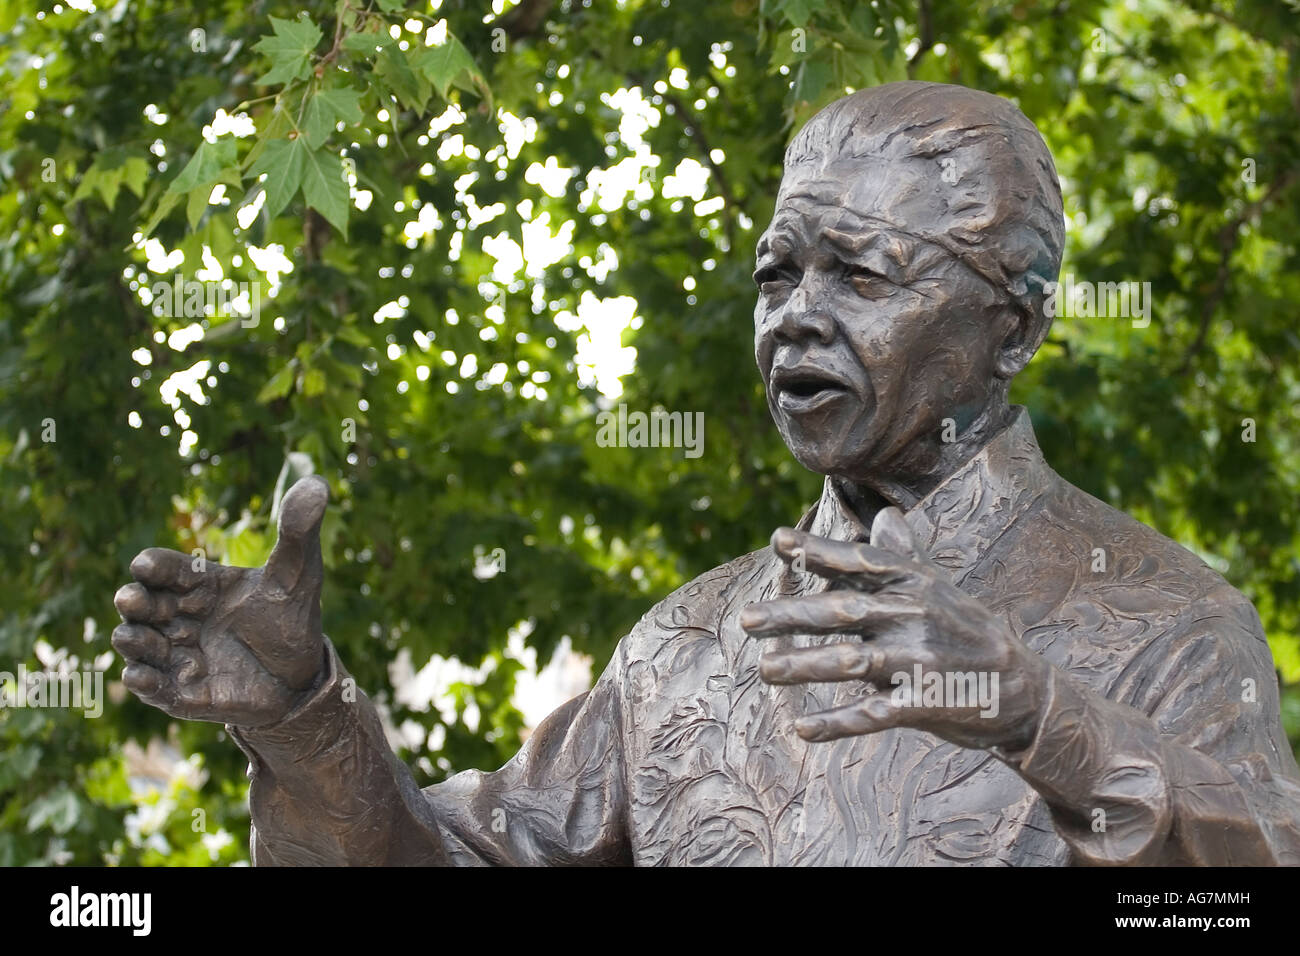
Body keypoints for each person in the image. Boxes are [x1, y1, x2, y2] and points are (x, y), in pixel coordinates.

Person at [113, 81, 1300, 865]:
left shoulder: (1166, 623)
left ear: (1016, 326)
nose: (797, 320)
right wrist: (301, 718)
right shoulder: (686, 643)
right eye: (777, 275)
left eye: (864, 277)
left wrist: (1039, 714)